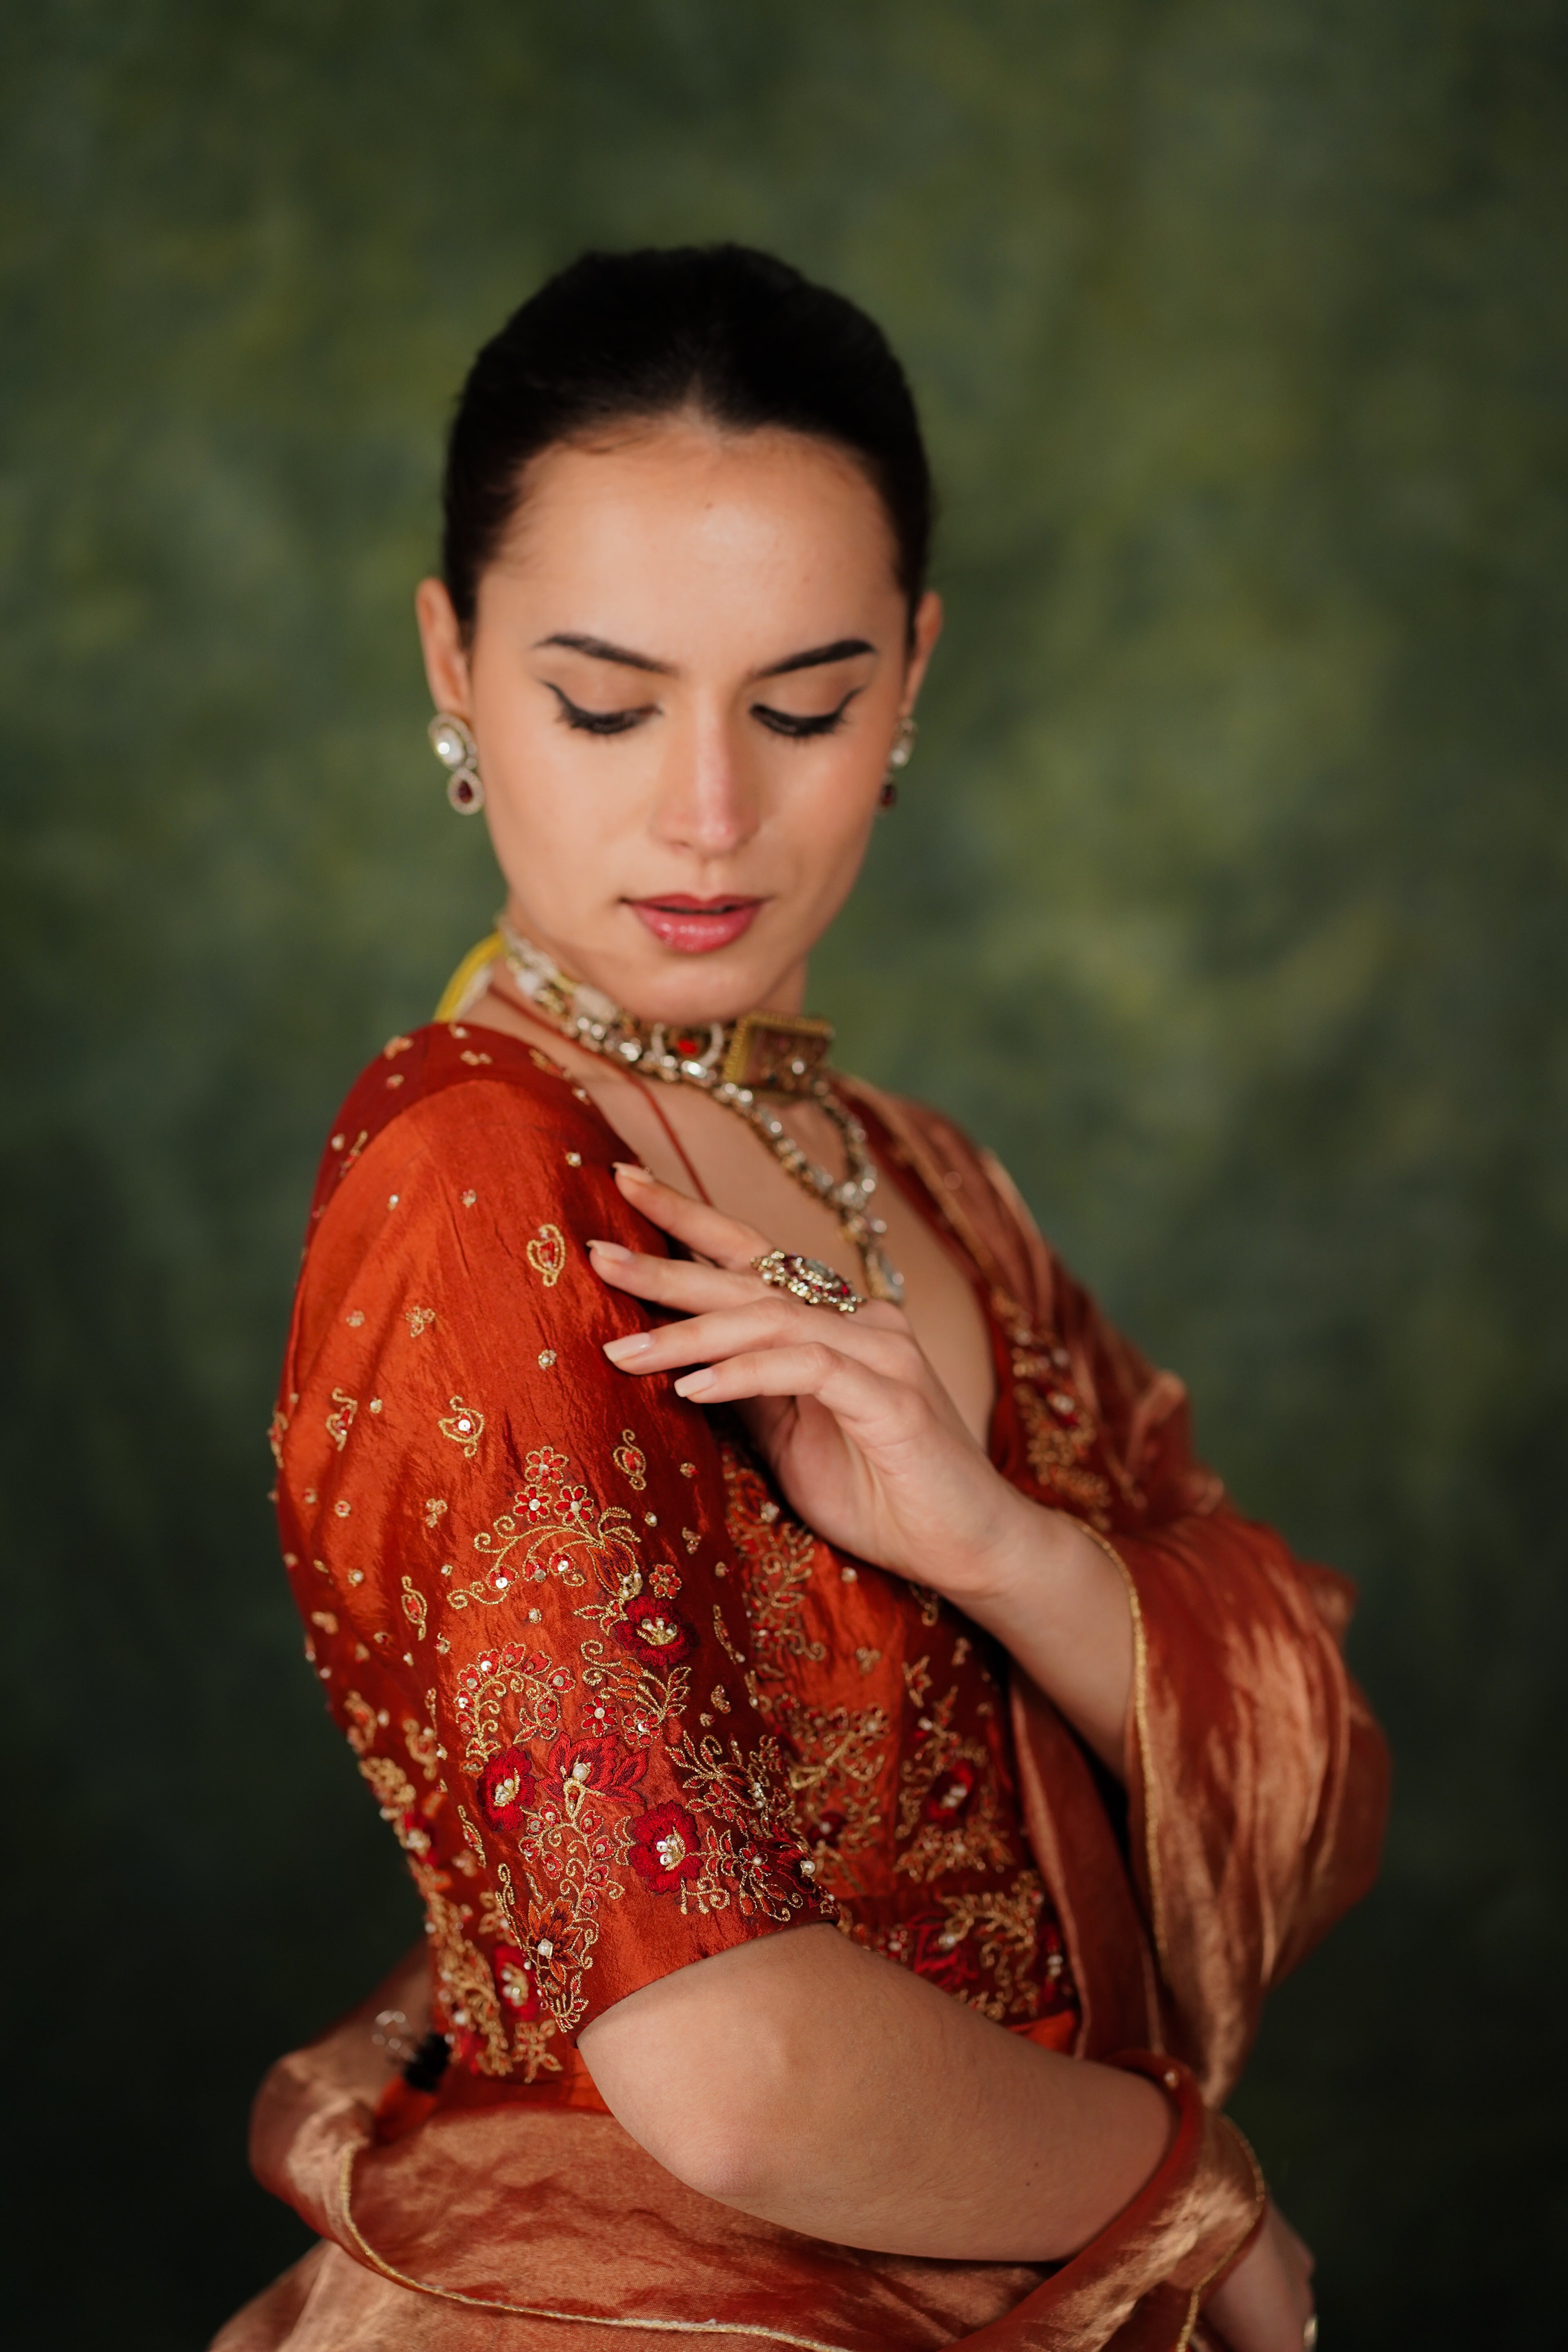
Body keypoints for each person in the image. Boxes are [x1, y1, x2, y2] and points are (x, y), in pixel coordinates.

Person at [214, 246, 1386, 2352]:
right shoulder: (474, 1182)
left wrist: (1000, 1547)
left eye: (804, 705)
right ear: (452, 659)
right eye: (603, 703)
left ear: (914, 670)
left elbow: (1317, 1760)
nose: (710, 815)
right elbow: (730, 2072)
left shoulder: (920, 1173)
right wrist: (1190, 2195)